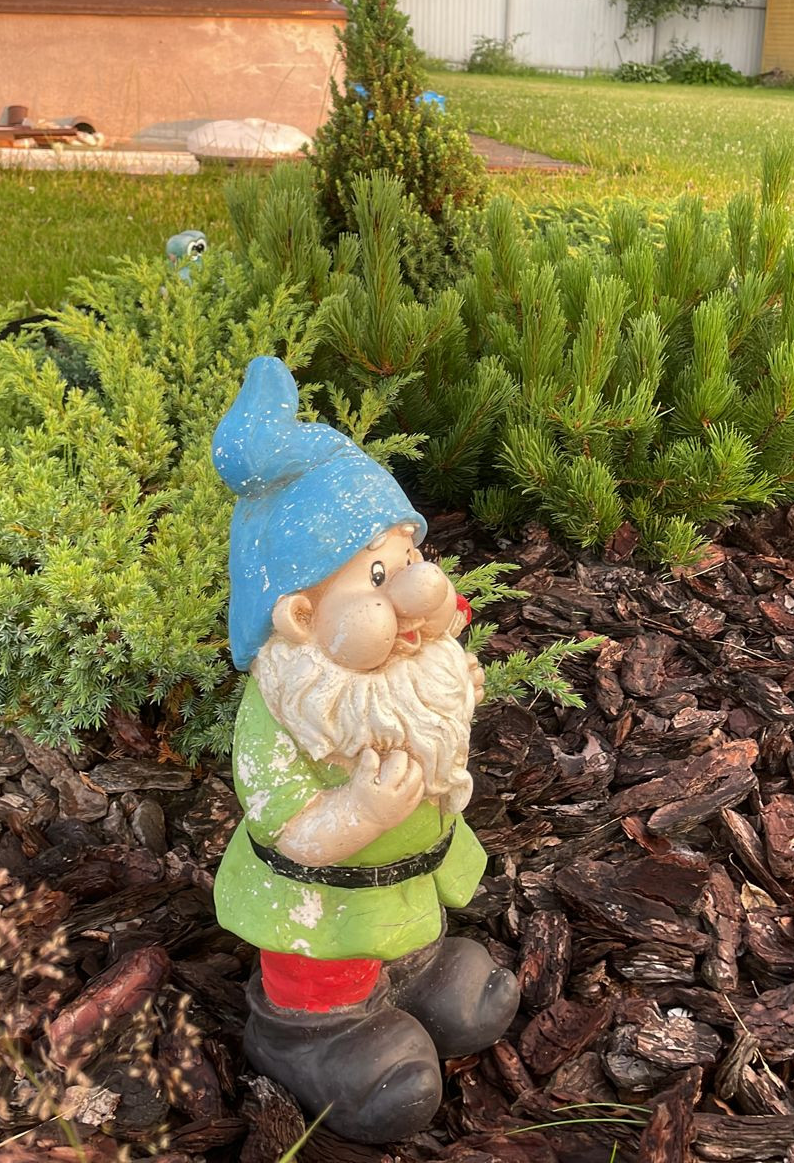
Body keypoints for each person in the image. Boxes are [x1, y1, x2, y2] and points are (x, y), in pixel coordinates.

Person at [211, 357, 518, 1143]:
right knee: (329, 968)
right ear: (301, 618)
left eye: (410, 561)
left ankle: (413, 974)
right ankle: (311, 1034)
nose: (418, 591)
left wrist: (455, 694)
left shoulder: (407, 670)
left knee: (410, 934)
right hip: (324, 907)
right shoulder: (287, 709)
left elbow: (428, 720)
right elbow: (287, 825)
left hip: (406, 887)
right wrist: (358, 813)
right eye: (378, 575)